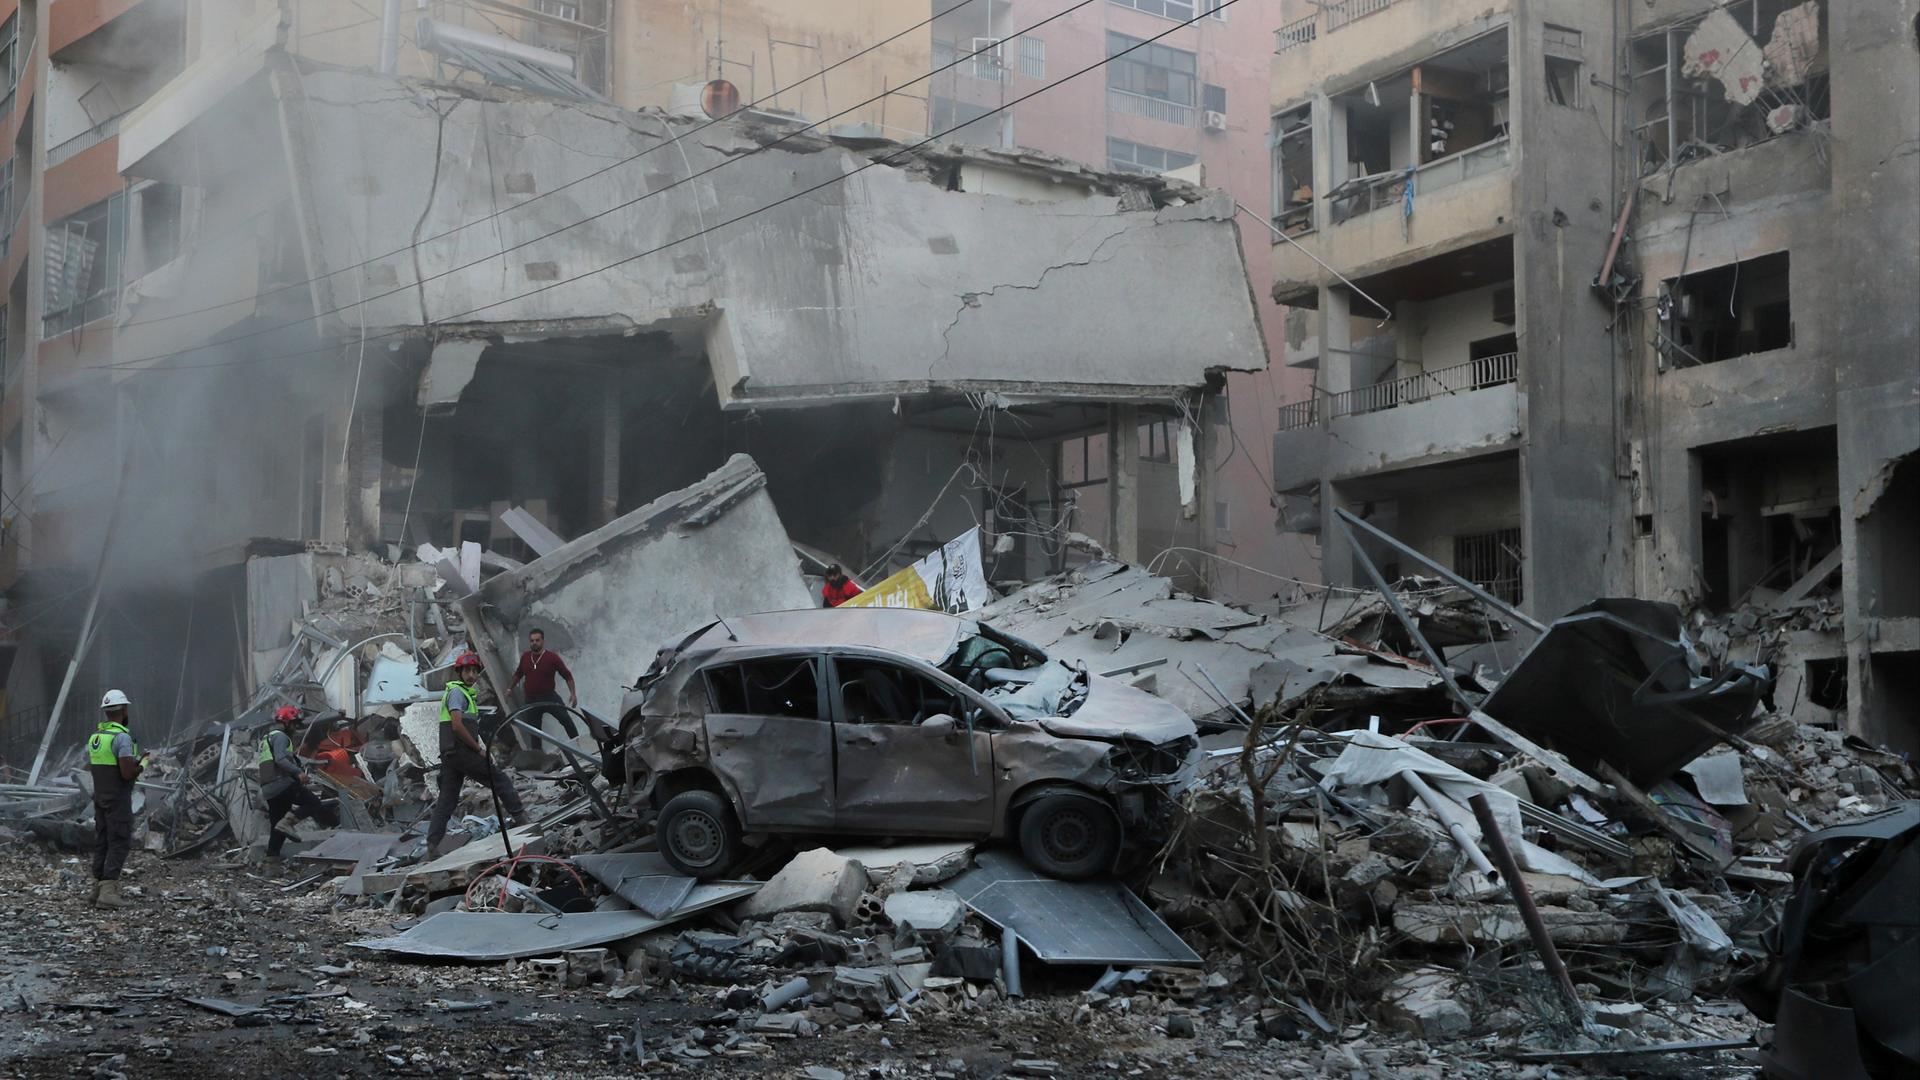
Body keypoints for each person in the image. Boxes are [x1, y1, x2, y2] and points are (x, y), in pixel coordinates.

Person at [426, 651, 529, 858]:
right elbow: (456, 726)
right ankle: (522, 820)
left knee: (448, 799)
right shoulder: (457, 693)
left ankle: (432, 843)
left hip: (450, 754)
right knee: (499, 779)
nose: (472, 675)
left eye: (474, 671)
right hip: (461, 752)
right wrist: (478, 749)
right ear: (460, 672)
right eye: (468, 670)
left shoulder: (465, 694)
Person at [258, 706, 339, 865]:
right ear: (287, 723)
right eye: (295, 724)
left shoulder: (268, 738)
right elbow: (281, 759)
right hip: (282, 784)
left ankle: (271, 862)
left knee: (278, 826)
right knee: (313, 802)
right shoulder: (282, 737)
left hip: (269, 789)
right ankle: (288, 823)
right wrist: (298, 773)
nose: (296, 729)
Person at [86, 690, 144, 909]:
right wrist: (143, 764)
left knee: (102, 841)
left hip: (101, 797)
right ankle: (108, 893)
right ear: (125, 710)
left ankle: (97, 888)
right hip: (118, 799)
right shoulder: (122, 737)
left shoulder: (96, 738)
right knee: (119, 841)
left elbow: (95, 767)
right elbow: (127, 773)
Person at [507, 628, 578, 753]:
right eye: (532, 640)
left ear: (543, 641)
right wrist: (509, 688)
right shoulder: (525, 657)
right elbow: (518, 674)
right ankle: (539, 757)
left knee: (566, 719)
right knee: (534, 731)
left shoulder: (552, 657)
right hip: (531, 700)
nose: (534, 643)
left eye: (537, 640)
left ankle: (578, 745)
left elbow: (567, 675)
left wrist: (573, 694)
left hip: (549, 697)